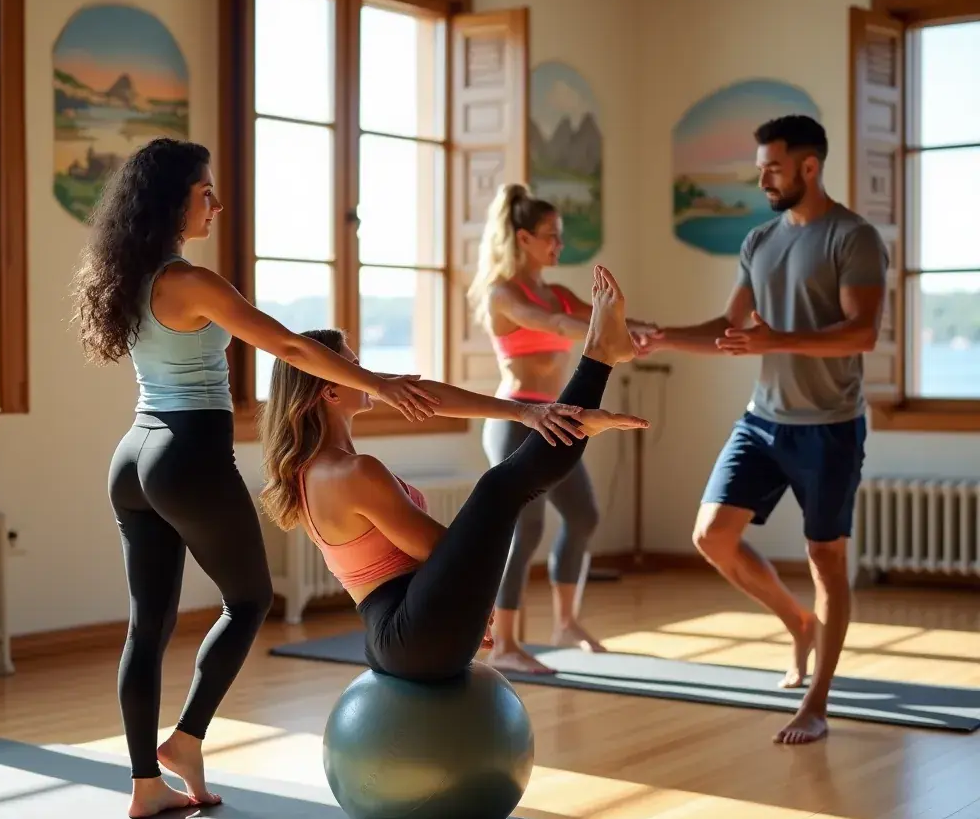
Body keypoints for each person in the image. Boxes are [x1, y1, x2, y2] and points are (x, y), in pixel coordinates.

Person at [71, 137, 440, 819]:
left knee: (146, 628)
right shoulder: (190, 281)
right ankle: (186, 738)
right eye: (204, 192)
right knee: (249, 600)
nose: (214, 204)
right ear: (172, 200)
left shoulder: (129, 276)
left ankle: (146, 784)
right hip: (187, 455)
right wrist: (377, 382)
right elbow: (293, 346)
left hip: (134, 454)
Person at [258, 266, 649, 684]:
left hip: (402, 634)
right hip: (412, 635)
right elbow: (437, 550)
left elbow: (423, 394)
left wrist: (524, 412)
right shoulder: (352, 471)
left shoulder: (316, 467)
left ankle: (599, 359)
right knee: (498, 488)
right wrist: (475, 598)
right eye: (356, 368)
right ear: (332, 390)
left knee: (502, 488)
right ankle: (598, 356)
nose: (369, 377)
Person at [635, 115, 888, 745]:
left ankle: (817, 701)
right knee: (712, 535)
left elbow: (862, 333)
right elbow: (731, 329)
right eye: (760, 169)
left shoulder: (853, 237)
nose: (763, 180)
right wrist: (663, 337)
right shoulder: (759, 241)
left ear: (809, 166)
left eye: (773, 168)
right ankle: (799, 623)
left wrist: (776, 340)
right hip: (763, 420)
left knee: (825, 558)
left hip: (830, 426)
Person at [466, 184, 658, 673]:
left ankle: (566, 624)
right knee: (526, 528)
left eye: (560, 235)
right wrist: (608, 334)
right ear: (524, 238)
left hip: (561, 415)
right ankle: (505, 643)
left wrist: (644, 330)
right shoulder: (503, 293)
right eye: (551, 235)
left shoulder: (556, 291)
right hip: (517, 420)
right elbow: (555, 324)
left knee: (583, 514)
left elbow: (593, 317)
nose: (559, 244)